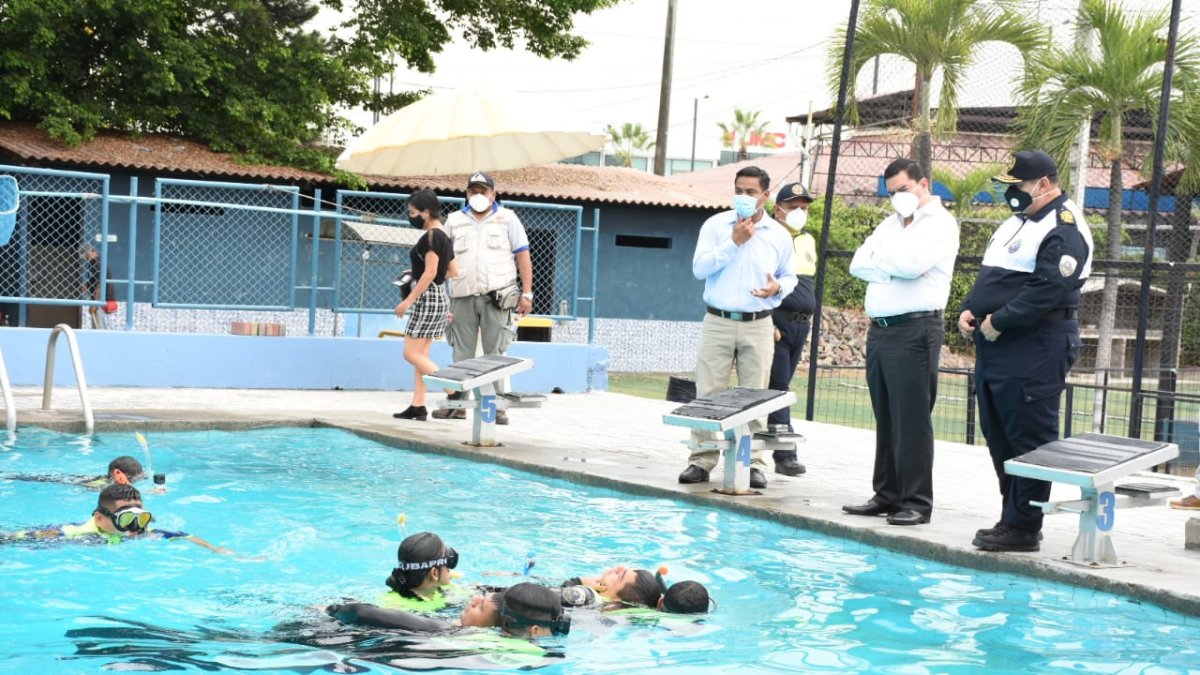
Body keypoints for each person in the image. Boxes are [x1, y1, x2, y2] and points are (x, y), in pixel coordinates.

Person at [961, 150, 1093, 552]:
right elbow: (992, 276)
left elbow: (1050, 288)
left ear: (1044, 184)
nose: (1011, 193)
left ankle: (1024, 525)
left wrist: (999, 320)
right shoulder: (1017, 222)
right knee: (1000, 433)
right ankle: (1011, 517)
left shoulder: (1065, 226)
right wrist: (971, 307)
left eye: (1017, 185)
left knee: (1029, 436)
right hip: (998, 345)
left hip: (1035, 343)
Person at [844, 158, 959, 527]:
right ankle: (887, 494)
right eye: (892, 192)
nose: (898, 198)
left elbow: (913, 266)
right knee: (886, 415)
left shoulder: (940, 224)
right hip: (881, 329)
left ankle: (916, 501)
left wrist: (884, 262)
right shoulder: (889, 225)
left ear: (923, 184)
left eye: (903, 189)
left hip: (916, 328)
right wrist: (890, 262)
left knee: (911, 417)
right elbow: (857, 263)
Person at [679, 166, 797, 490]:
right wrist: (733, 242)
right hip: (717, 320)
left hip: (758, 324)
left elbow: (790, 275)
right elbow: (699, 269)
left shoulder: (779, 235)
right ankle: (700, 460)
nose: (743, 198)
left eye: (750, 192)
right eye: (739, 191)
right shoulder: (716, 226)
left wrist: (779, 289)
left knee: (754, 395)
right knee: (707, 393)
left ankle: (752, 463)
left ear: (765, 196)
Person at [434, 172, 534, 426]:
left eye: (483, 191)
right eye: (473, 191)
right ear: (466, 193)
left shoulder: (507, 218)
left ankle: (497, 407)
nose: (478, 195)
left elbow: (523, 256)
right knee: (462, 353)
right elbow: (441, 258)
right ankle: (457, 405)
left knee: (496, 353)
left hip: (497, 298)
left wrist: (527, 292)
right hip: (462, 297)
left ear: (493, 194)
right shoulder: (455, 221)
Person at [2, 483, 229, 553]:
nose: (135, 528)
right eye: (126, 519)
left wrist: (217, 549)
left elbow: (185, 536)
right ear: (100, 519)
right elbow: (19, 537)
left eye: (141, 519)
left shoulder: (140, 532)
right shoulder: (73, 534)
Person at [766, 182, 818, 477]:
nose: (800, 212)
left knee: (779, 386)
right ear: (778, 210)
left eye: (804, 208)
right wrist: (767, 320)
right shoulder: (768, 238)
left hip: (801, 325)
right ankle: (785, 454)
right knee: (778, 388)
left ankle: (771, 446)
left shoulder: (807, 240)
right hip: (777, 322)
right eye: (793, 207)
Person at [394, 188, 458, 421]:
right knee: (421, 355)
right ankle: (418, 405)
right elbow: (452, 271)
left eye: (413, 212)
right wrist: (419, 272)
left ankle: (453, 390)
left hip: (428, 298)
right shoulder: (444, 235)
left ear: (426, 212)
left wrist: (408, 300)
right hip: (439, 296)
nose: (410, 216)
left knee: (410, 353)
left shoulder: (431, 236)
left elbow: (432, 271)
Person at [378, 531, 462, 611]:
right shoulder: (395, 605)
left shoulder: (447, 588)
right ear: (434, 573)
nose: (449, 569)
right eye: (447, 561)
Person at [1, 455, 144, 489]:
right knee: (37, 478)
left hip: (80, 478)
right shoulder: (102, 483)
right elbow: (91, 488)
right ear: (116, 473)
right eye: (130, 479)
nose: (131, 482)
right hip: (69, 480)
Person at [84, 247, 118, 330]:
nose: (86, 257)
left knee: (100, 328)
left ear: (93, 252)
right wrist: (86, 285)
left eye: (87, 254)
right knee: (97, 326)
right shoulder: (92, 264)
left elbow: (100, 285)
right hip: (100, 301)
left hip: (103, 301)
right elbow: (94, 281)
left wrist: (95, 304)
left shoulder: (98, 264)